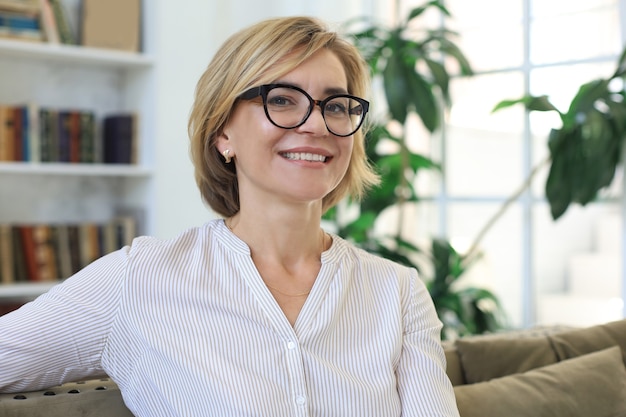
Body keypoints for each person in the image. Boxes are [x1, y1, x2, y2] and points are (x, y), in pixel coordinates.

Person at [0, 16, 460, 416]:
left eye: (336, 106)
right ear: (223, 132)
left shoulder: (397, 291)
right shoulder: (138, 279)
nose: (317, 124)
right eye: (281, 99)